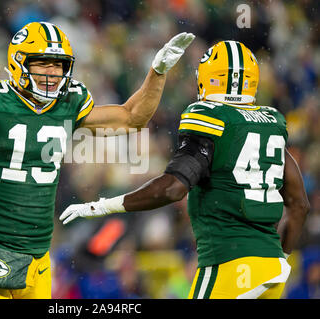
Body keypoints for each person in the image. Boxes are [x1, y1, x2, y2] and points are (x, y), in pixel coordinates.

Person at [0, 22, 195, 299]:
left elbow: (133, 117)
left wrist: (158, 71)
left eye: (58, 65)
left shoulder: (69, 103)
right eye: (43, 63)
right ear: (19, 63)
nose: (53, 72)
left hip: (38, 256)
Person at [60, 40, 310, 299]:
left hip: (230, 263)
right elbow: (300, 204)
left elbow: (173, 188)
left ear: (207, 78)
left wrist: (102, 206)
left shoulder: (209, 117)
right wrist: (279, 255)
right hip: (273, 268)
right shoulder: (271, 123)